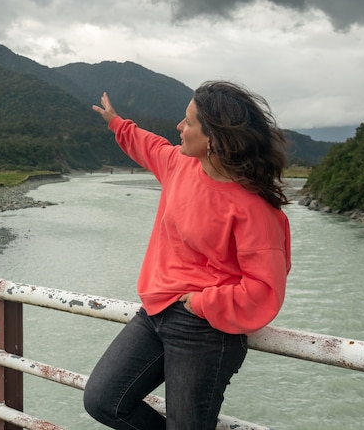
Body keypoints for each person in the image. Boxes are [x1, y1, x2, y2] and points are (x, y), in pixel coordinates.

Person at [83, 81, 291, 430]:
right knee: (104, 400)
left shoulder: (253, 209)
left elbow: (265, 290)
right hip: (156, 312)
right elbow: (149, 145)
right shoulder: (181, 166)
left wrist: (201, 304)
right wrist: (117, 122)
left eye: (188, 121)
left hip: (206, 329)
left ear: (213, 138)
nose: (179, 127)